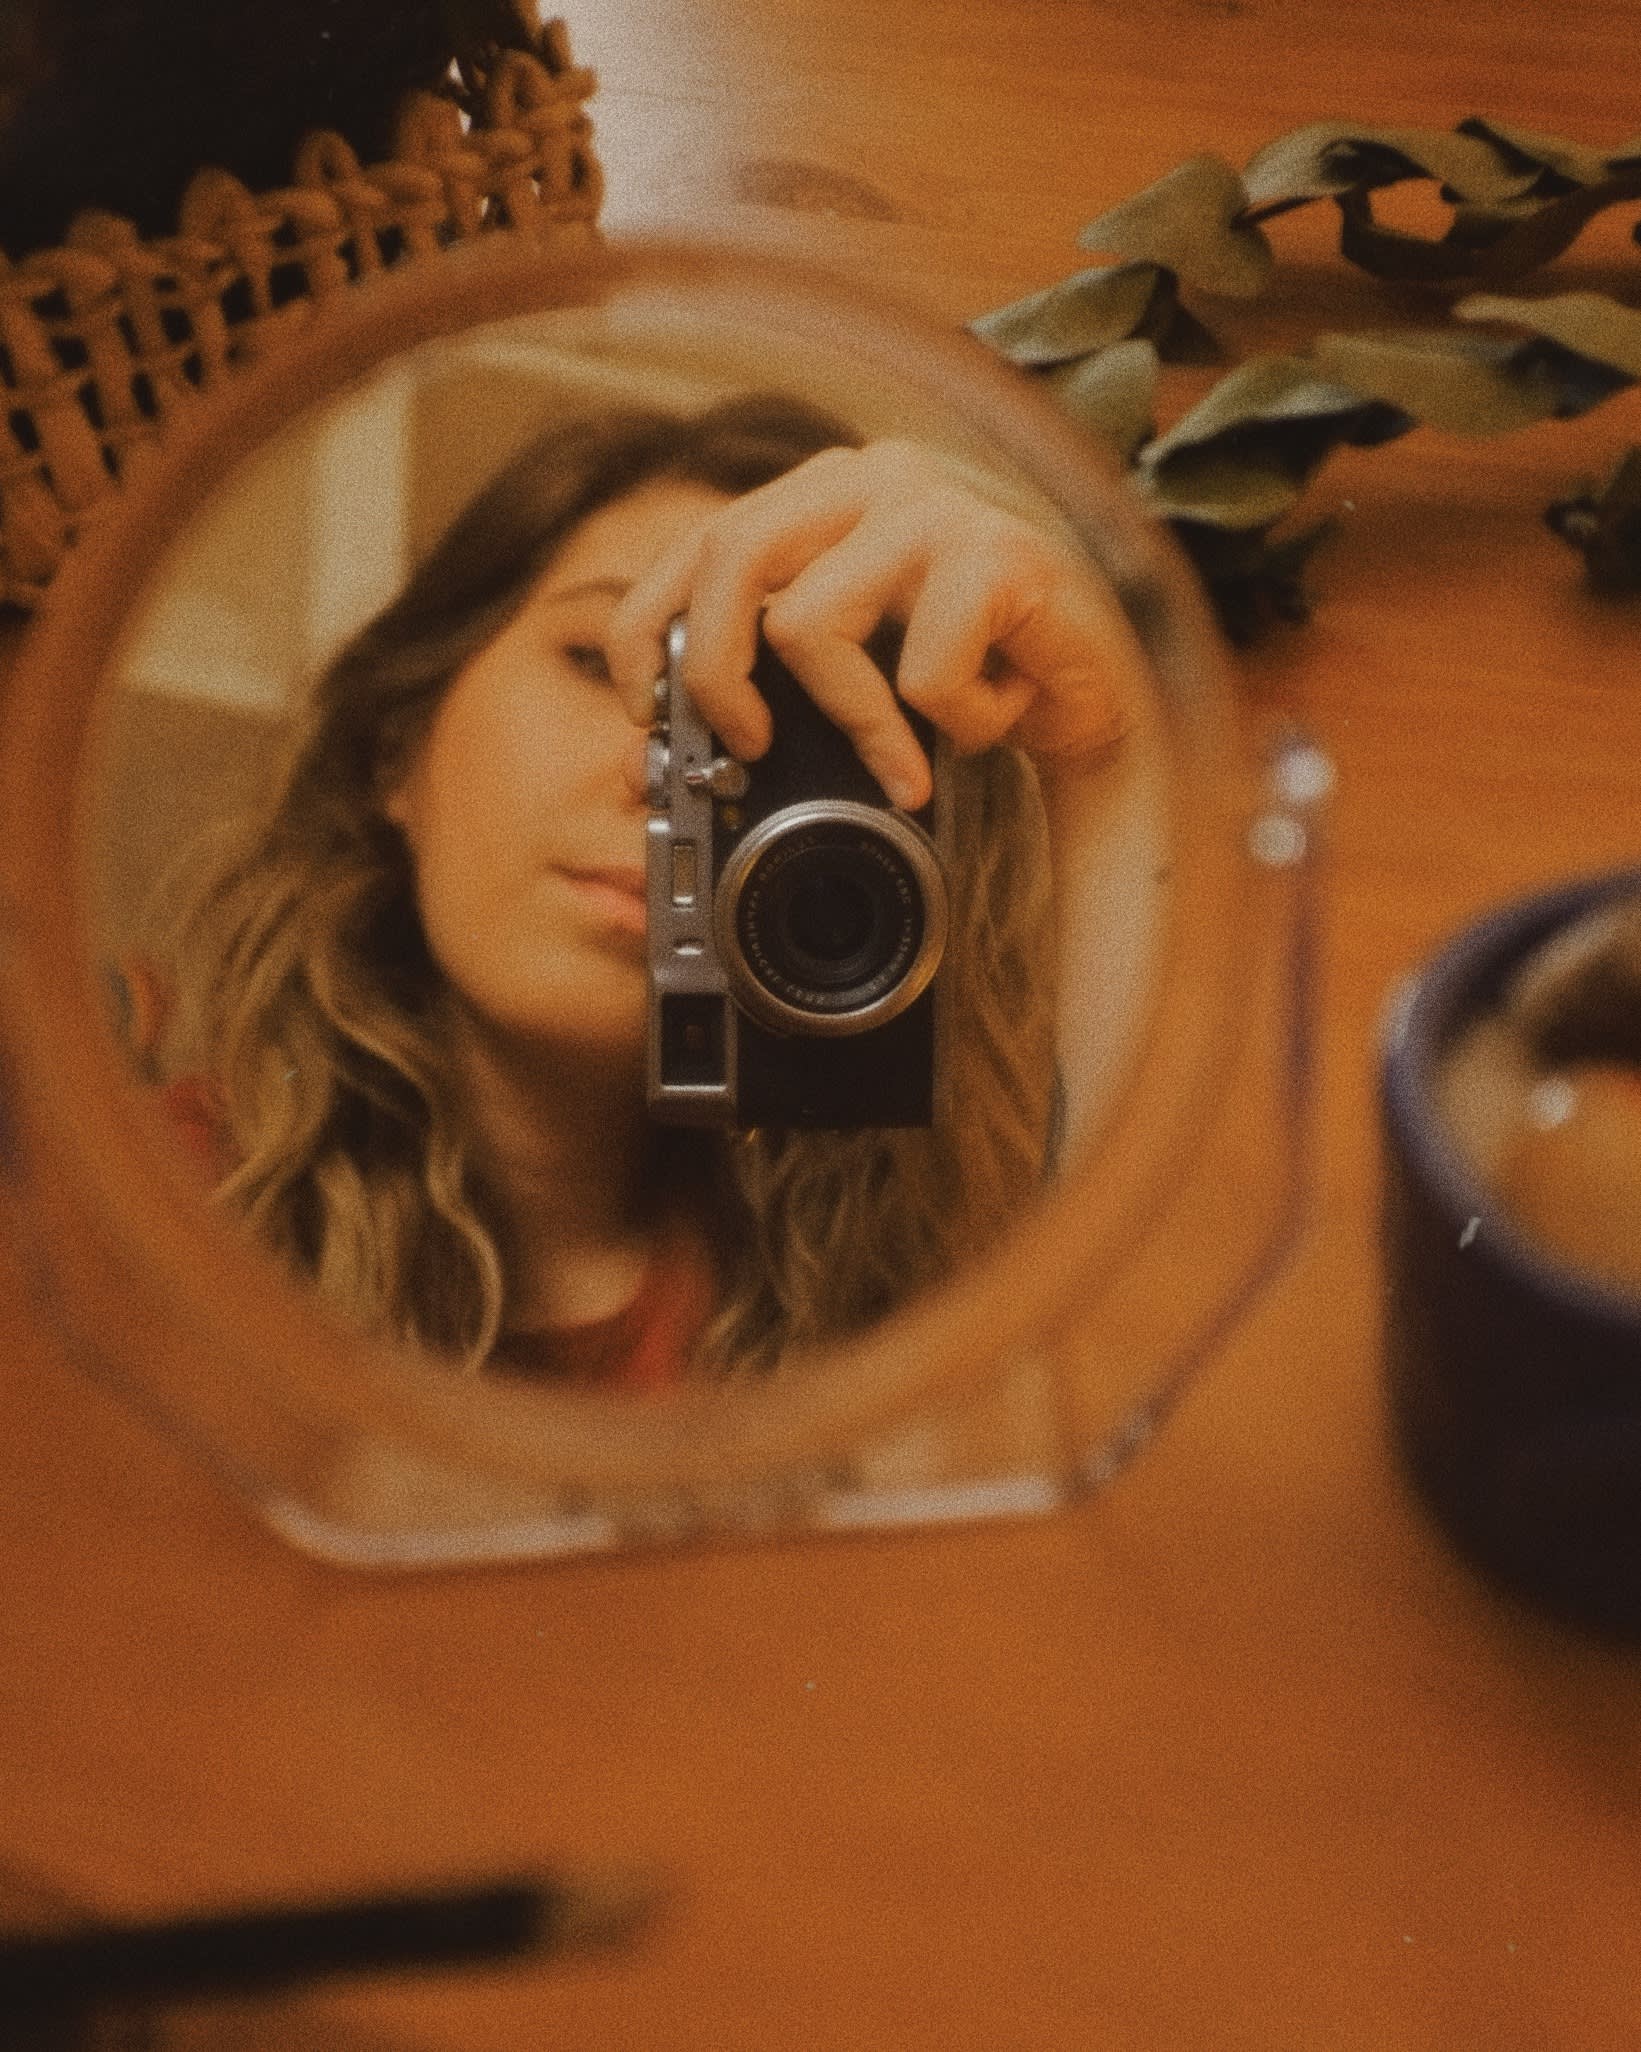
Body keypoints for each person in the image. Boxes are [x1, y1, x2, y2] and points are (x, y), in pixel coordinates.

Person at [144, 391, 1135, 1388]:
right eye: (595, 660)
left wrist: (1100, 762)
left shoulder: (934, 1297)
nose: (664, 771)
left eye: (775, 724)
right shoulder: (148, 1208)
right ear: (397, 750)